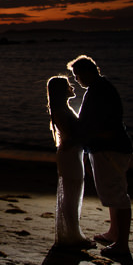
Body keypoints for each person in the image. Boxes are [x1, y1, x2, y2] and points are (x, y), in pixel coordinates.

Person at [68, 54, 133, 259]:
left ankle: (122, 243)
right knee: (111, 193)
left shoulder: (100, 91)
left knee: (116, 193)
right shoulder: (98, 89)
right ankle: (114, 232)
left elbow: (106, 124)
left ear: (88, 71)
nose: (77, 80)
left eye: (78, 75)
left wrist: (86, 137)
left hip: (111, 148)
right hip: (104, 148)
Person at [47, 75, 93, 249]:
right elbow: (71, 136)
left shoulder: (63, 109)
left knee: (73, 194)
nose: (71, 87)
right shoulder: (60, 111)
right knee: (71, 195)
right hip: (70, 156)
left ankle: (72, 233)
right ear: (61, 91)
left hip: (73, 155)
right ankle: (71, 236)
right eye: (67, 85)